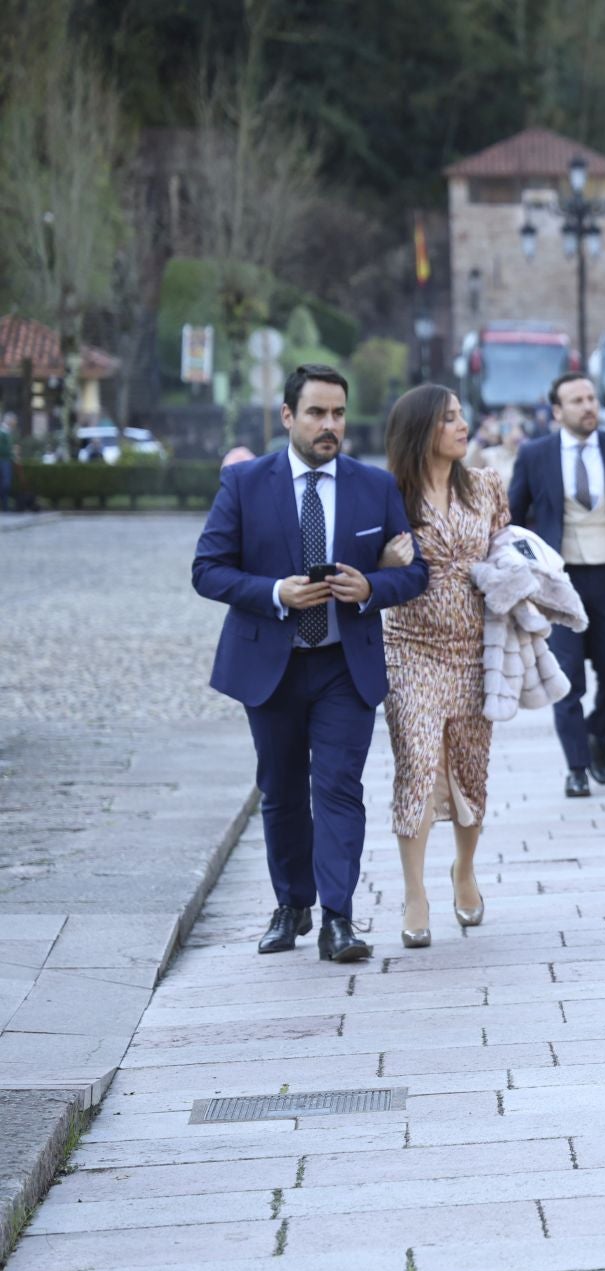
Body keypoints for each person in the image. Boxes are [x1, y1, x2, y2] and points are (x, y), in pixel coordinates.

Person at [191, 364, 428, 961]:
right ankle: (291, 904)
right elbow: (208, 569)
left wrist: (370, 586)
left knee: (339, 788)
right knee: (281, 789)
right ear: (288, 416)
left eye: (339, 414)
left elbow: (417, 571)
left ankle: (339, 919)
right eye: (318, 413)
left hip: (344, 666)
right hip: (270, 663)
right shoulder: (245, 484)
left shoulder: (375, 487)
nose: (330, 426)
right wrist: (276, 594)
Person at [380, 384, 509, 948]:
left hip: (475, 650)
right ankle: (414, 892)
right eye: (449, 418)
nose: (463, 425)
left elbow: (508, 552)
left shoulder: (486, 486)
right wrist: (385, 560)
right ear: (422, 430)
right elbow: (365, 564)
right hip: (410, 647)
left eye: (462, 416)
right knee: (416, 758)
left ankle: (464, 867)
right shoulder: (390, 496)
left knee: (471, 767)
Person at [508, 373, 605, 798]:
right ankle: (576, 767)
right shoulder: (534, 455)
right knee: (567, 677)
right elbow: (513, 519)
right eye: (577, 401)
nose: (588, 406)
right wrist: (531, 571)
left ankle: (598, 734)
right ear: (557, 411)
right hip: (561, 583)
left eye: (592, 398)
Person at [0, 412, 15, 512]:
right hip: (3, 459)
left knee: (6, 482)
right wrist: (10, 452)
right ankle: (4, 505)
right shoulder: (2, 432)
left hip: (6, 459)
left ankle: (5, 505)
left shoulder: (8, 432)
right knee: (6, 482)